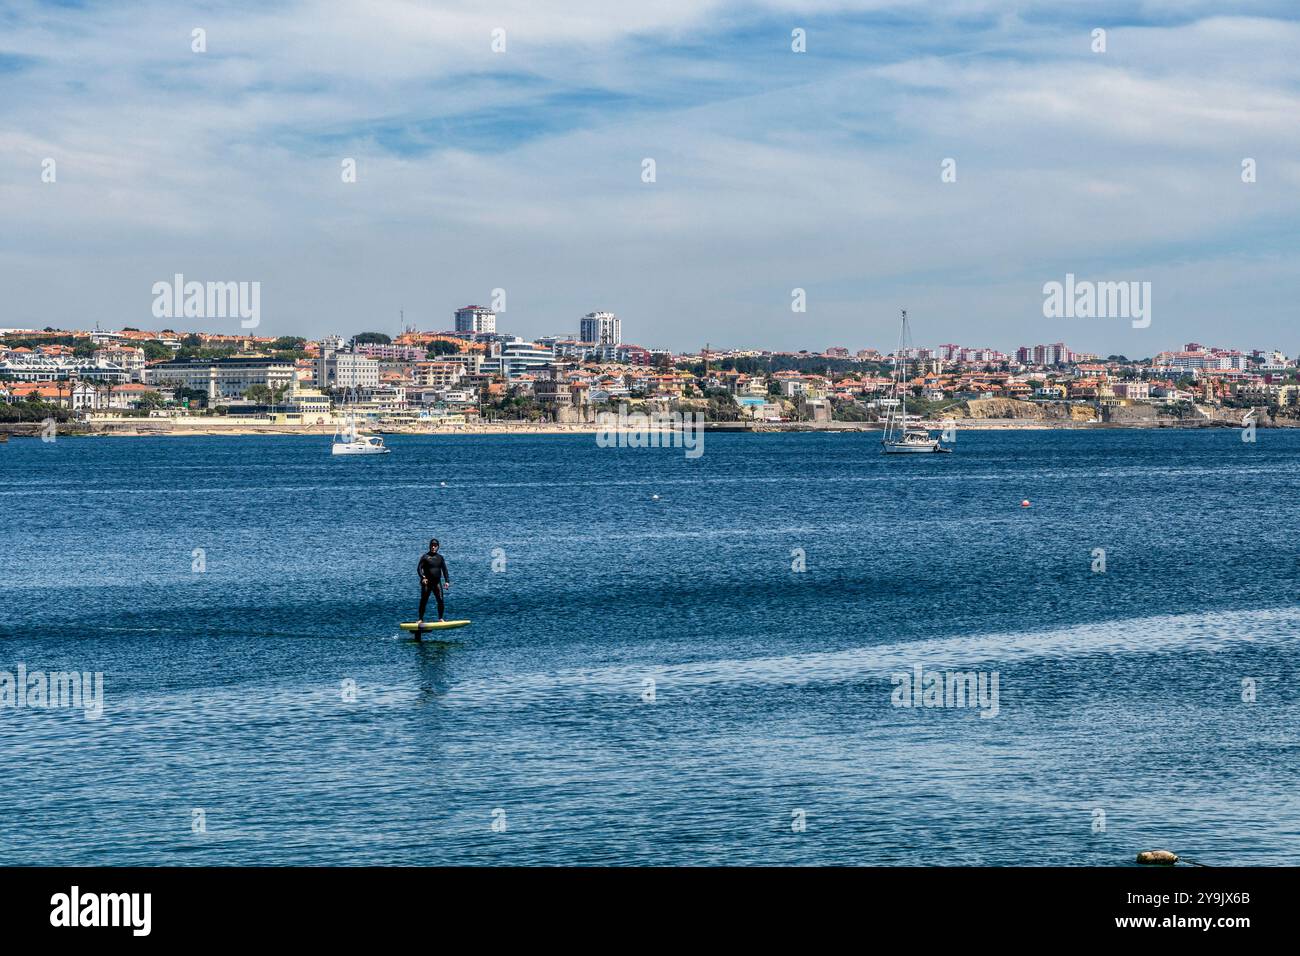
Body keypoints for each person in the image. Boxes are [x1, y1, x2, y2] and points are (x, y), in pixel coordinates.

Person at [416, 538, 452, 627]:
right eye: (432, 545)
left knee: (440, 600)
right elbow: (419, 568)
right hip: (427, 582)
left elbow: (444, 570)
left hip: (437, 583)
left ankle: (440, 618)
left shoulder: (440, 558)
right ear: (429, 546)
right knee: (424, 601)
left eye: (435, 546)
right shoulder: (425, 557)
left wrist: (447, 581)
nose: (433, 547)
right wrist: (423, 577)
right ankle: (420, 619)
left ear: (438, 547)